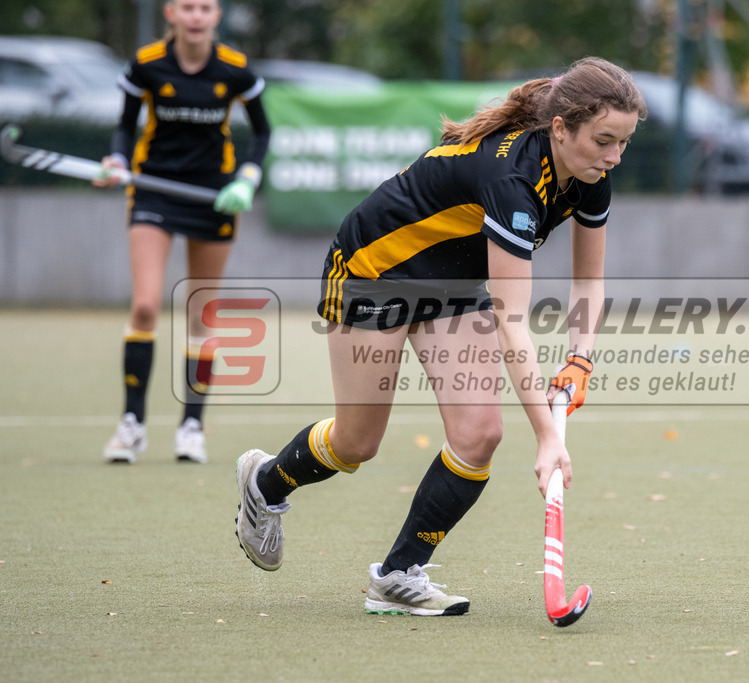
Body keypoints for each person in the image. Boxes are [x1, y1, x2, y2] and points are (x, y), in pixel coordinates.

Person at [234, 57, 645, 616]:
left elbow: (589, 280)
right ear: (560, 128)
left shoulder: (591, 178)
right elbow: (512, 321)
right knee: (358, 443)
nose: (614, 156)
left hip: (450, 286)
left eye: (623, 143)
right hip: (371, 273)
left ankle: (399, 574)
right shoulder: (513, 181)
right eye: (603, 141)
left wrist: (580, 360)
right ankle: (265, 482)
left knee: (479, 433)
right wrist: (549, 437)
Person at [94, 0, 271, 465]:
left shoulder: (235, 69)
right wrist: (116, 160)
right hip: (153, 190)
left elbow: (262, 132)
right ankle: (131, 424)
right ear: (171, 12)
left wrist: (247, 178)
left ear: (216, 15)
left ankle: (191, 426)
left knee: (200, 311)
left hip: (214, 195)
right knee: (146, 305)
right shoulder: (148, 63)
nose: (196, 15)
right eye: (187, 6)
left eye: (205, 7)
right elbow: (123, 125)